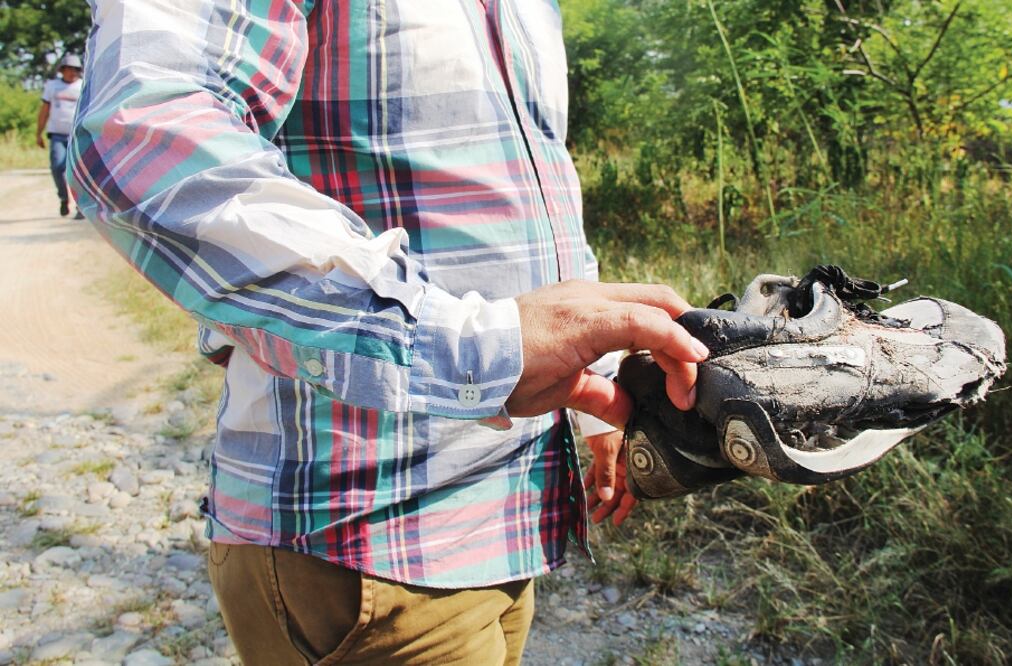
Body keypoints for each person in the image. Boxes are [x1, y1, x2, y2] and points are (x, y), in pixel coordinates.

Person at [68, 1, 708, 663]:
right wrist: (470, 352)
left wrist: (596, 396)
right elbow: (140, 133)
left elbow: (535, 186)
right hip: (361, 538)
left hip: (508, 513)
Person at [36, 54, 84, 219]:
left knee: (77, 172)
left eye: (76, 69)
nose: (72, 73)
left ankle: (81, 207)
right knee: (57, 167)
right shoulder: (52, 86)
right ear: (62, 70)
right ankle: (64, 198)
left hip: (77, 136)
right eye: (69, 69)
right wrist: (38, 133)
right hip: (57, 134)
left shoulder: (83, 86)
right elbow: (44, 111)